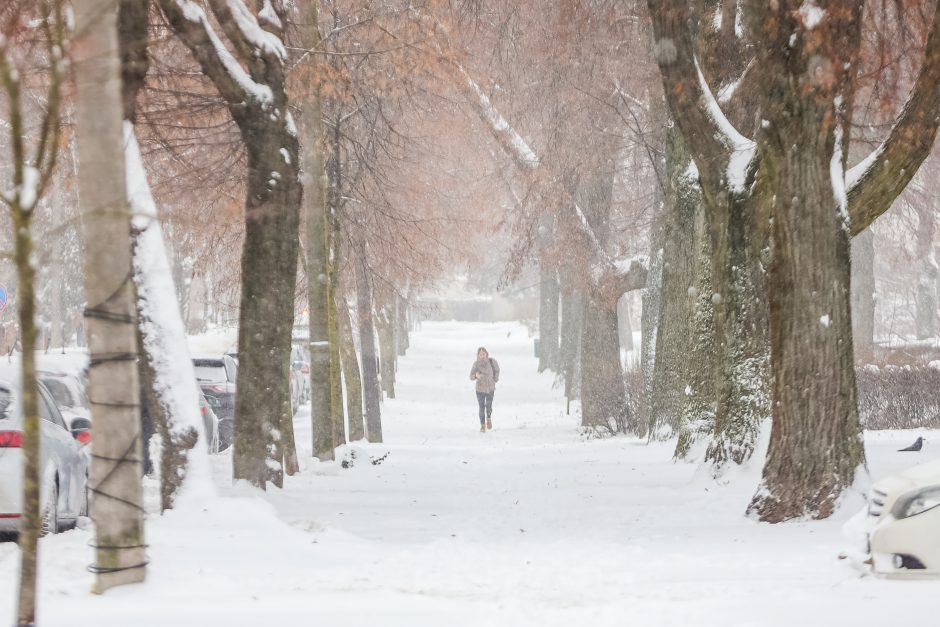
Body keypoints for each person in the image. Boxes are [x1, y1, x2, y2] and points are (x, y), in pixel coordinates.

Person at [469, 346, 499, 432]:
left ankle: (488, 418)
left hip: (490, 388)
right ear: (478, 355)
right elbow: (471, 376)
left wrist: (495, 379)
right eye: (480, 354)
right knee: (481, 407)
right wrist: (476, 376)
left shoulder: (492, 361)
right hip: (480, 390)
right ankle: (482, 425)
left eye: (483, 354)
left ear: (486, 354)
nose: (482, 355)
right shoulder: (476, 364)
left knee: (488, 406)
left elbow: (497, 370)